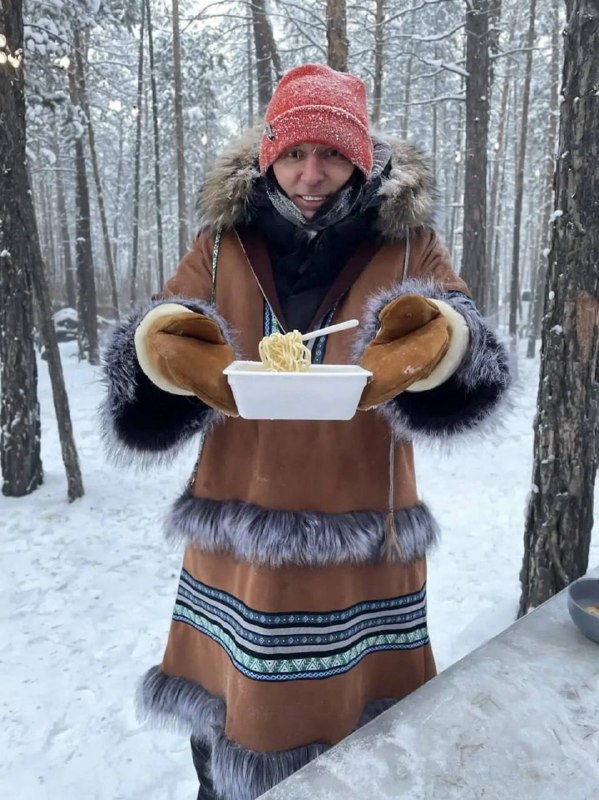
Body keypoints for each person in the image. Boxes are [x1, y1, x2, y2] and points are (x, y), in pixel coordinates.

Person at [101, 64, 510, 800]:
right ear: (268, 156)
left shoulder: (406, 243)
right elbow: (163, 325)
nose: (310, 175)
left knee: (361, 731)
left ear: (361, 157)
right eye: (293, 154)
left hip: (362, 528)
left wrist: (442, 340)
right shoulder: (222, 241)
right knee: (229, 721)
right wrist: (160, 347)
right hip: (238, 522)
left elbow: (471, 344)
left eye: (330, 154)